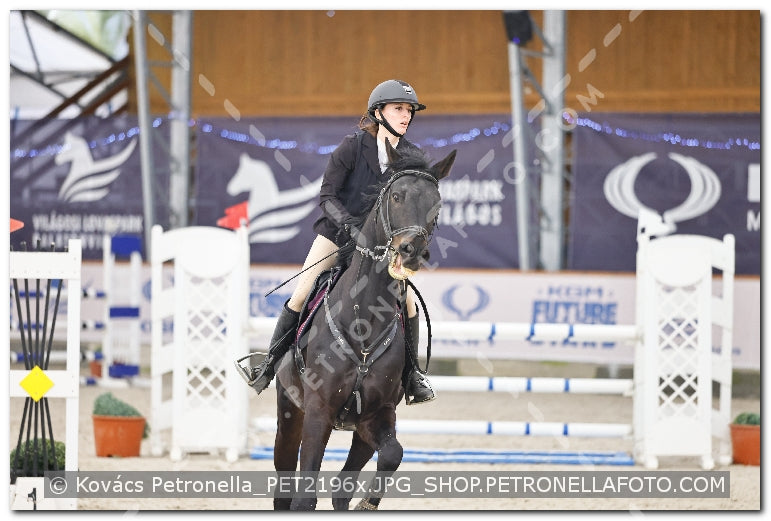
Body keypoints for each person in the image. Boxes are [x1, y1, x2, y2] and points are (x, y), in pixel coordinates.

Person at [236, 79, 436, 405]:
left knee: (409, 303)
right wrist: (351, 227)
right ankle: (269, 364)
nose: (406, 115)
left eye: (409, 110)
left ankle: (413, 377)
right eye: (399, 108)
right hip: (338, 234)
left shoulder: (411, 156)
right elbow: (327, 196)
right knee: (302, 293)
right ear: (378, 112)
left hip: (383, 247)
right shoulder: (352, 147)